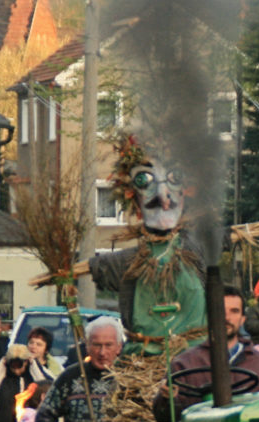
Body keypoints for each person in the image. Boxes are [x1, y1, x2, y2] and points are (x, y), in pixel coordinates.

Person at [74, 139, 207, 351]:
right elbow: (91, 267)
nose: (163, 198)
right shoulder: (128, 261)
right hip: (141, 363)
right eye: (145, 182)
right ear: (135, 202)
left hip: (194, 363)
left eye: (174, 180)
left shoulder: (197, 249)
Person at [159, 285, 259, 415]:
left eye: (234, 311)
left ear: (243, 319)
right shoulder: (184, 364)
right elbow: (163, 415)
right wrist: (166, 399)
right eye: (220, 310)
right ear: (209, 316)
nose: (227, 318)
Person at [35, 316, 123, 422]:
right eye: (96, 345)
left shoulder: (128, 378)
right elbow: (43, 417)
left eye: (108, 345)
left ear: (118, 347)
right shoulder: (70, 377)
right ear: (87, 346)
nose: (102, 352)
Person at [0, 344, 39, 422]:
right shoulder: (1, 376)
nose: (16, 370)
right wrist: (1, 366)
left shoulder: (32, 377)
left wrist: (34, 365)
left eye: (19, 366)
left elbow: (47, 386)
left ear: (26, 362)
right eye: (13, 366)